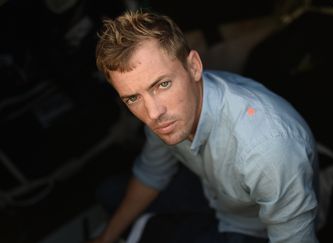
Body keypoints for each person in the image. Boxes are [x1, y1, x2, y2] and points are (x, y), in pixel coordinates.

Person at [90, 8, 319, 243]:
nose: (153, 113)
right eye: (133, 98)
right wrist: (105, 238)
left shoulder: (267, 148)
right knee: (108, 193)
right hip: (212, 193)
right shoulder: (165, 112)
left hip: (255, 226)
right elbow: (153, 172)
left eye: (163, 84)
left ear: (194, 67)